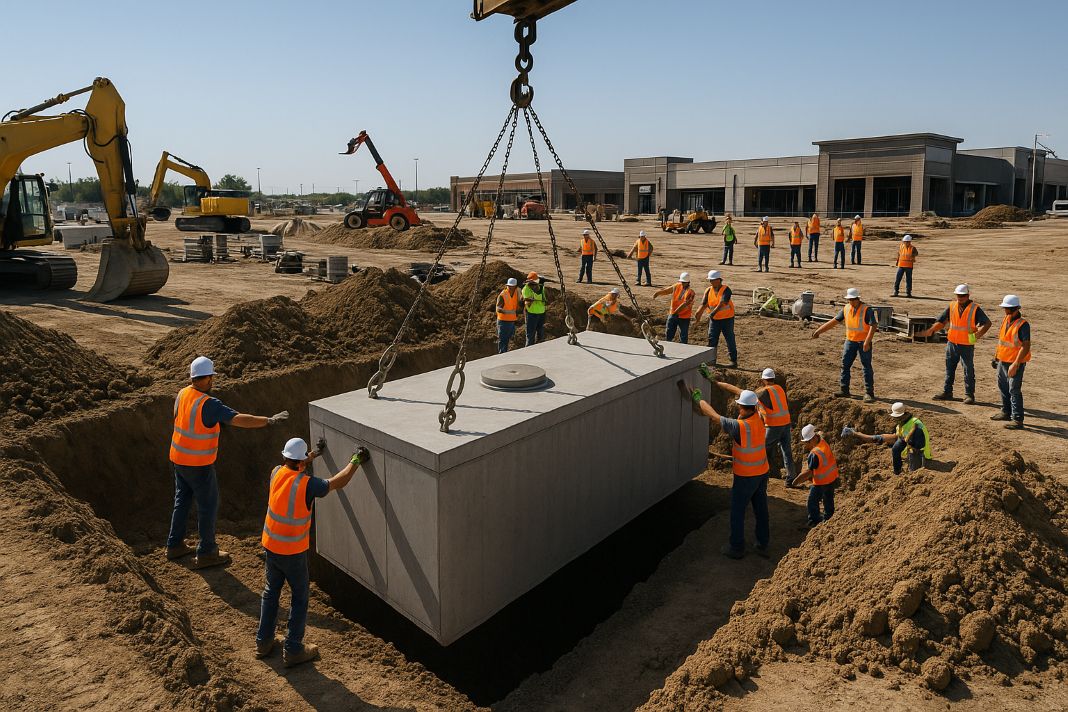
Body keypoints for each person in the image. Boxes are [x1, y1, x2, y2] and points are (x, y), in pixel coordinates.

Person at [256, 437, 370, 667]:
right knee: (299, 597)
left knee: (271, 593)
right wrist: (356, 459)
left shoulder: (276, 471)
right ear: (301, 463)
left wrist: (314, 454)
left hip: (271, 546)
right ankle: (294, 649)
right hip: (292, 552)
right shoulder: (307, 484)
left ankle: (263, 642)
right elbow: (340, 481)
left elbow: (294, 465)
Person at [167, 356, 289, 568]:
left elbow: (182, 419)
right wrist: (268, 421)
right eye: (211, 377)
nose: (212, 381)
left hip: (179, 460)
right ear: (206, 379)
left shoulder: (182, 393)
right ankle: (207, 553)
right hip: (199, 465)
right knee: (208, 506)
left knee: (182, 501)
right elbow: (241, 419)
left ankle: (174, 545)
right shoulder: (209, 404)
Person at [679, 383, 770, 559]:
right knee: (761, 509)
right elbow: (741, 392)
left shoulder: (740, 427)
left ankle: (736, 548)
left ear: (745, 407)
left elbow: (713, 416)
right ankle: (762, 543)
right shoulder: (758, 415)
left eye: (739, 405)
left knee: (737, 510)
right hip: (762, 471)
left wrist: (698, 399)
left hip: (746, 476)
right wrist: (714, 381)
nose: (738, 407)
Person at [704, 366, 794, 482]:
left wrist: (716, 382)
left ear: (763, 380)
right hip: (786, 424)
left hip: (774, 426)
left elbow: (736, 390)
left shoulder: (762, 393)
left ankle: (763, 475)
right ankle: (791, 477)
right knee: (787, 452)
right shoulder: (780, 389)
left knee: (762, 451)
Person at [918, 284, 991, 404]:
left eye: (962, 296)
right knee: (949, 368)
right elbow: (941, 321)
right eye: (958, 295)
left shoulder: (975, 308)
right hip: (952, 343)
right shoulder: (952, 306)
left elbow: (987, 323)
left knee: (968, 370)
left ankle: (969, 395)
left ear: (968, 295)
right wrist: (931, 330)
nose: (960, 298)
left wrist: (978, 335)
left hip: (966, 345)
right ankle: (947, 392)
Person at [811, 287, 877, 402]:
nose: (851, 302)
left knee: (866, 367)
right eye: (849, 300)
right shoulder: (846, 309)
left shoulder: (867, 310)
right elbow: (834, 321)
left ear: (858, 299)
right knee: (845, 365)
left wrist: (867, 341)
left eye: (852, 300)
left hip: (863, 342)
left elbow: (873, 325)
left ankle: (869, 393)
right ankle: (844, 389)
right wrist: (818, 331)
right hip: (850, 341)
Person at [844, 402, 931, 475]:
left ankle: (913, 470)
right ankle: (897, 471)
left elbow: (917, 445)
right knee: (895, 449)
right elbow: (897, 437)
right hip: (909, 443)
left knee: (913, 465)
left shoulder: (916, 426)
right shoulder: (903, 423)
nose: (894, 419)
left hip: (919, 452)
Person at [990, 294, 1031, 430]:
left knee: (1014, 389)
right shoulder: (1006, 319)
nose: (1004, 310)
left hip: (1015, 362)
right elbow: (1002, 341)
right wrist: (996, 356)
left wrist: (1016, 363)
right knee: (1003, 387)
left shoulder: (1023, 325)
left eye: (1006, 308)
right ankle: (1006, 411)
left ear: (1013, 309)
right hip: (1003, 360)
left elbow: (1026, 346)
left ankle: (1018, 419)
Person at [789, 425, 839, 527]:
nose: (805, 445)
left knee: (812, 502)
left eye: (806, 442)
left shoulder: (815, 453)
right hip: (831, 479)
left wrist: (795, 481)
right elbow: (820, 433)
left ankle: (814, 520)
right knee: (828, 500)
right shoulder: (823, 442)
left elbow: (809, 472)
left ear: (812, 439)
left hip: (821, 482)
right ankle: (829, 519)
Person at [693, 270, 737, 367]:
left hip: (727, 319)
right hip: (714, 320)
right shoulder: (708, 290)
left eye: (712, 280)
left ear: (719, 280)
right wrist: (697, 315)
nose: (711, 282)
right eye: (710, 280)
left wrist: (713, 313)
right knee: (712, 339)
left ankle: (733, 361)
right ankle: (711, 361)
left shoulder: (726, 289)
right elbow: (703, 304)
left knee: (729, 339)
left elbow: (722, 303)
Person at [654, 273, 695, 344]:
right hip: (673, 313)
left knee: (683, 335)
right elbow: (667, 290)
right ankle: (668, 344)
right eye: (682, 282)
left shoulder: (691, 292)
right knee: (669, 331)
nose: (682, 284)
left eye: (684, 283)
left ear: (688, 282)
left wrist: (675, 312)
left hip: (684, 316)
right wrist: (658, 293)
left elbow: (684, 304)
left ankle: (683, 347)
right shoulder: (677, 286)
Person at [495, 277, 522, 353]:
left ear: (515, 287)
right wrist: (505, 311)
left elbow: (520, 300)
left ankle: (506, 353)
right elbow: (498, 308)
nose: (510, 288)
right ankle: (502, 354)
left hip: (512, 321)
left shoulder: (517, 292)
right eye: (509, 286)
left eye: (512, 287)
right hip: (503, 321)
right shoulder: (503, 295)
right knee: (502, 339)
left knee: (508, 339)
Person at [521, 272, 548, 347]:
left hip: (541, 313)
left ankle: (540, 348)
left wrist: (544, 301)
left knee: (540, 333)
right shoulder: (526, 289)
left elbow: (545, 299)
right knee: (530, 335)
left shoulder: (541, 287)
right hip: (531, 314)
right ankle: (529, 349)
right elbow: (527, 302)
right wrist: (529, 301)